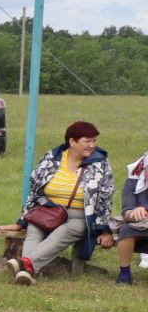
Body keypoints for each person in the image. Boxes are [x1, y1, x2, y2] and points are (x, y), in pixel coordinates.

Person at [13, 120, 115, 285]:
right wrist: (23, 219)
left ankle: (24, 265)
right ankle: (28, 270)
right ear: (72, 142)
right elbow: (35, 188)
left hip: (81, 216)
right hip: (49, 211)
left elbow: (105, 197)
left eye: (94, 140)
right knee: (34, 228)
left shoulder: (100, 163)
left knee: (67, 230)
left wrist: (105, 229)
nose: (92, 145)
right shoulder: (52, 158)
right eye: (87, 141)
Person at [116, 147, 148, 286]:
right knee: (126, 230)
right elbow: (126, 211)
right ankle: (124, 273)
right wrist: (134, 213)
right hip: (142, 224)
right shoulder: (133, 181)